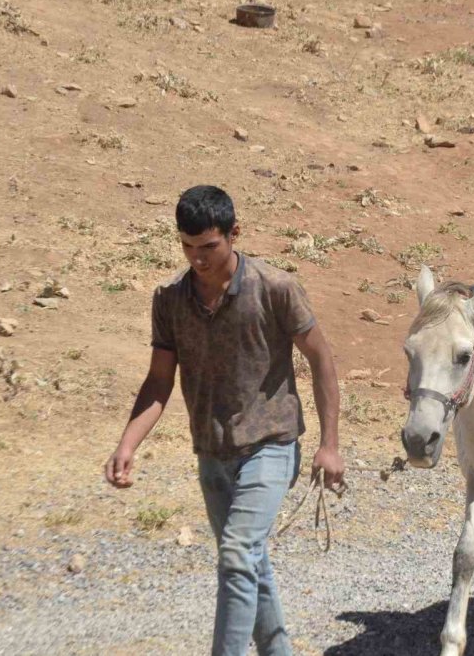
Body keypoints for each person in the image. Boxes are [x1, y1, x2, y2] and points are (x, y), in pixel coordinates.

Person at [104, 185, 345, 656]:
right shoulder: (170, 299)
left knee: (237, 555)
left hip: (271, 445)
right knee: (246, 563)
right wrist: (127, 444)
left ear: (235, 233)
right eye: (188, 247)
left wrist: (329, 444)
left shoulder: (275, 288)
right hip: (211, 454)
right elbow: (158, 381)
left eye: (209, 247)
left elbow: (322, 360)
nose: (198, 259)